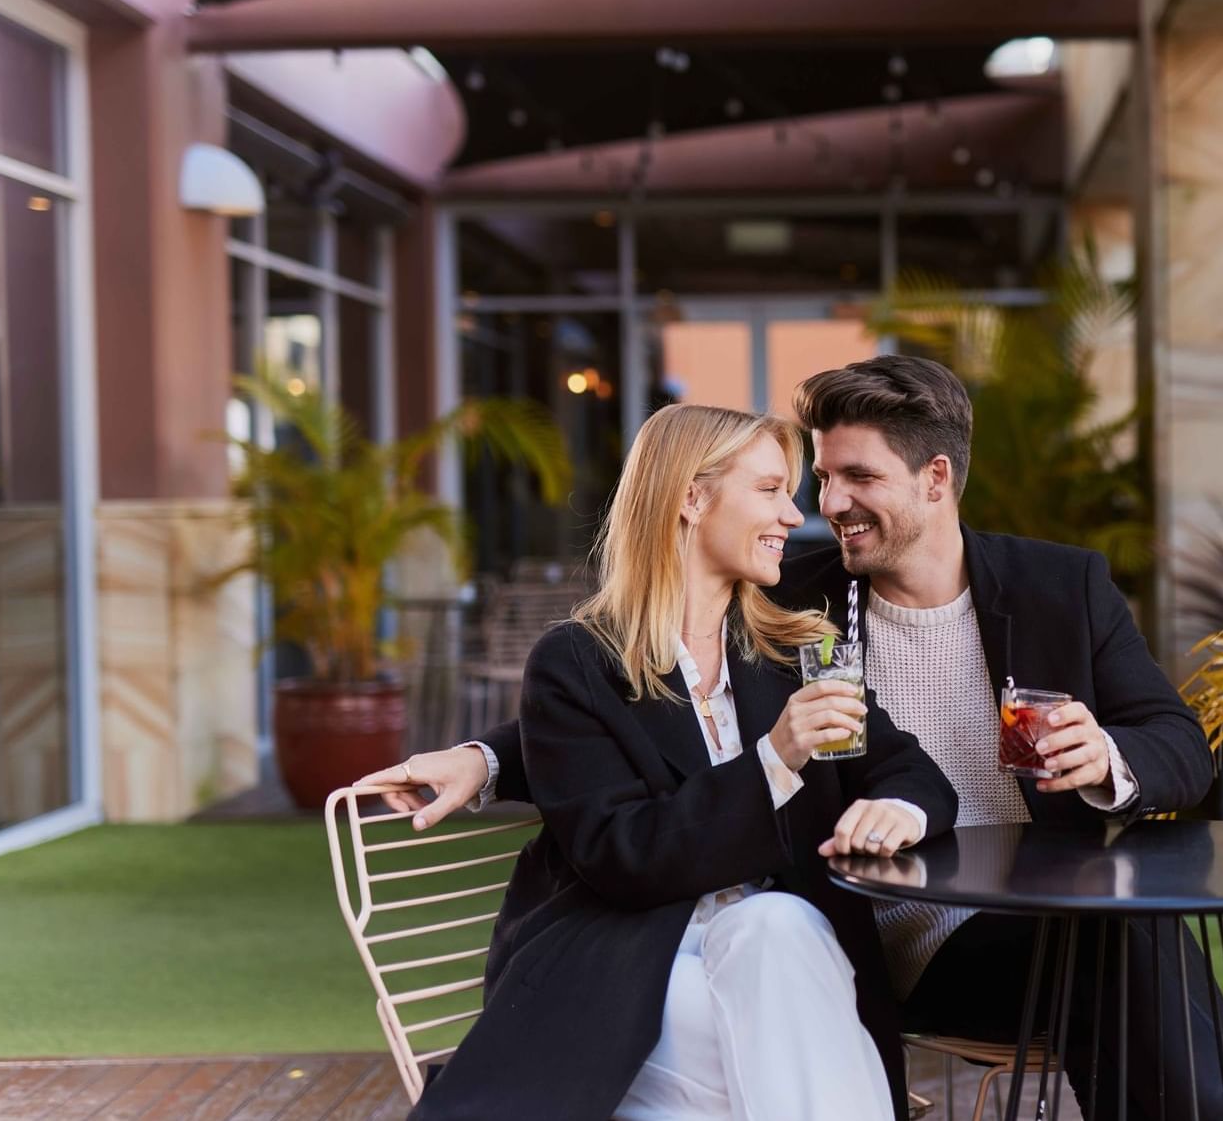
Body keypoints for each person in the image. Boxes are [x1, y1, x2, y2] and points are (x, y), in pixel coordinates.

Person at [371, 357, 1223, 1119]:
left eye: (854, 479)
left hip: (1007, 922)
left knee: (1125, 933)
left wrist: (1106, 758)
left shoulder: (1060, 586)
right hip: (853, 917)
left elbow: (1176, 741)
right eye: (811, 480)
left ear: (937, 478)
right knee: (779, 935)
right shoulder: (789, 596)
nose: (822, 506)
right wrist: (487, 757)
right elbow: (634, 700)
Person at [406, 404, 956, 1121]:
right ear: (692, 498)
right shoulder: (577, 665)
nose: (793, 516)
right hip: (628, 970)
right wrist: (775, 759)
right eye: (768, 489)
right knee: (773, 1013)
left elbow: (912, 774)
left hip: (779, 961)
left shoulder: (796, 654)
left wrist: (898, 806)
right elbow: (627, 857)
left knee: (775, 927)